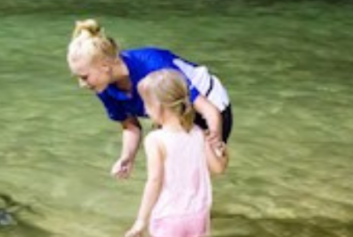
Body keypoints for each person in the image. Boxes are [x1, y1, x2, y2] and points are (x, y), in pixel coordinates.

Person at [67, 18, 232, 179]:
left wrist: (215, 141)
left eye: (84, 77)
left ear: (104, 66)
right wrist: (127, 158)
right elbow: (130, 125)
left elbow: (209, 109)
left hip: (209, 103)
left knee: (202, 170)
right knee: (171, 171)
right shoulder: (103, 87)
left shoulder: (154, 66)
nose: (82, 84)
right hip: (172, 114)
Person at [125, 69, 228, 237]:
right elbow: (218, 169)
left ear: (159, 107)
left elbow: (154, 181)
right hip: (196, 218)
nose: (145, 109)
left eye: (147, 104)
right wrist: (223, 152)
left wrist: (141, 220)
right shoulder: (198, 133)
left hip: (168, 220)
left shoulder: (156, 139)